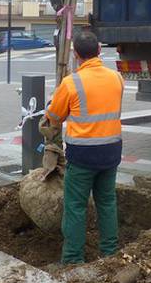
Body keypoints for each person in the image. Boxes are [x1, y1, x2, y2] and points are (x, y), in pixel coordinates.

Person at [45, 31, 124, 264]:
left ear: (76, 54)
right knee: (107, 202)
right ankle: (110, 253)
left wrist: (52, 106)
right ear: (99, 51)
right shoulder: (116, 78)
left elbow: (55, 117)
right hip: (111, 153)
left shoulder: (71, 82)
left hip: (83, 157)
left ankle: (72, 259)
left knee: (76, 207)